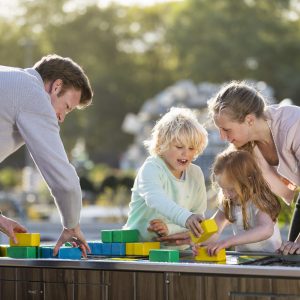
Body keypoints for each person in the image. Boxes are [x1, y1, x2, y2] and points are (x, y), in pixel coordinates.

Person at [0, 54, 93, 256]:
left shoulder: (10, 81)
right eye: (66, 107)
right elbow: (64, 180)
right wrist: (71, 225)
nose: (60, 118)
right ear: (56, 86)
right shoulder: (33, 95)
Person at [208, 80, 300, 255]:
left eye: (226, 130)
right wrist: (193, 237)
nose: (222, 137)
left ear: (249, 119)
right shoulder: (244, 147)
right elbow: (226, 202)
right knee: (293, 257)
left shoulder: (294, 125)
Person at [123, 107, 208, 248]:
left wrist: (169, 229)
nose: (185, 153)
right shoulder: (151, 167)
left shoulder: (196, 174)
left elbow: (197, 220)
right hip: (139, 250)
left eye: (192, 148)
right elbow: (155, 199)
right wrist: (186, 218)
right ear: (162, 144)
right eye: (179, 147)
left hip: (179, 253)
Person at [194, 150, 282, 256]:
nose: (226, 194)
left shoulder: (259, 200)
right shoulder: (229, 201)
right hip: (244, 259)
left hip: (270, 259)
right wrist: (202, 244)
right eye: (222, 189)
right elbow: (214, 229)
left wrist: (228, 242)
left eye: (231, 189)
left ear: (248, 181)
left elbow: (266, 229)